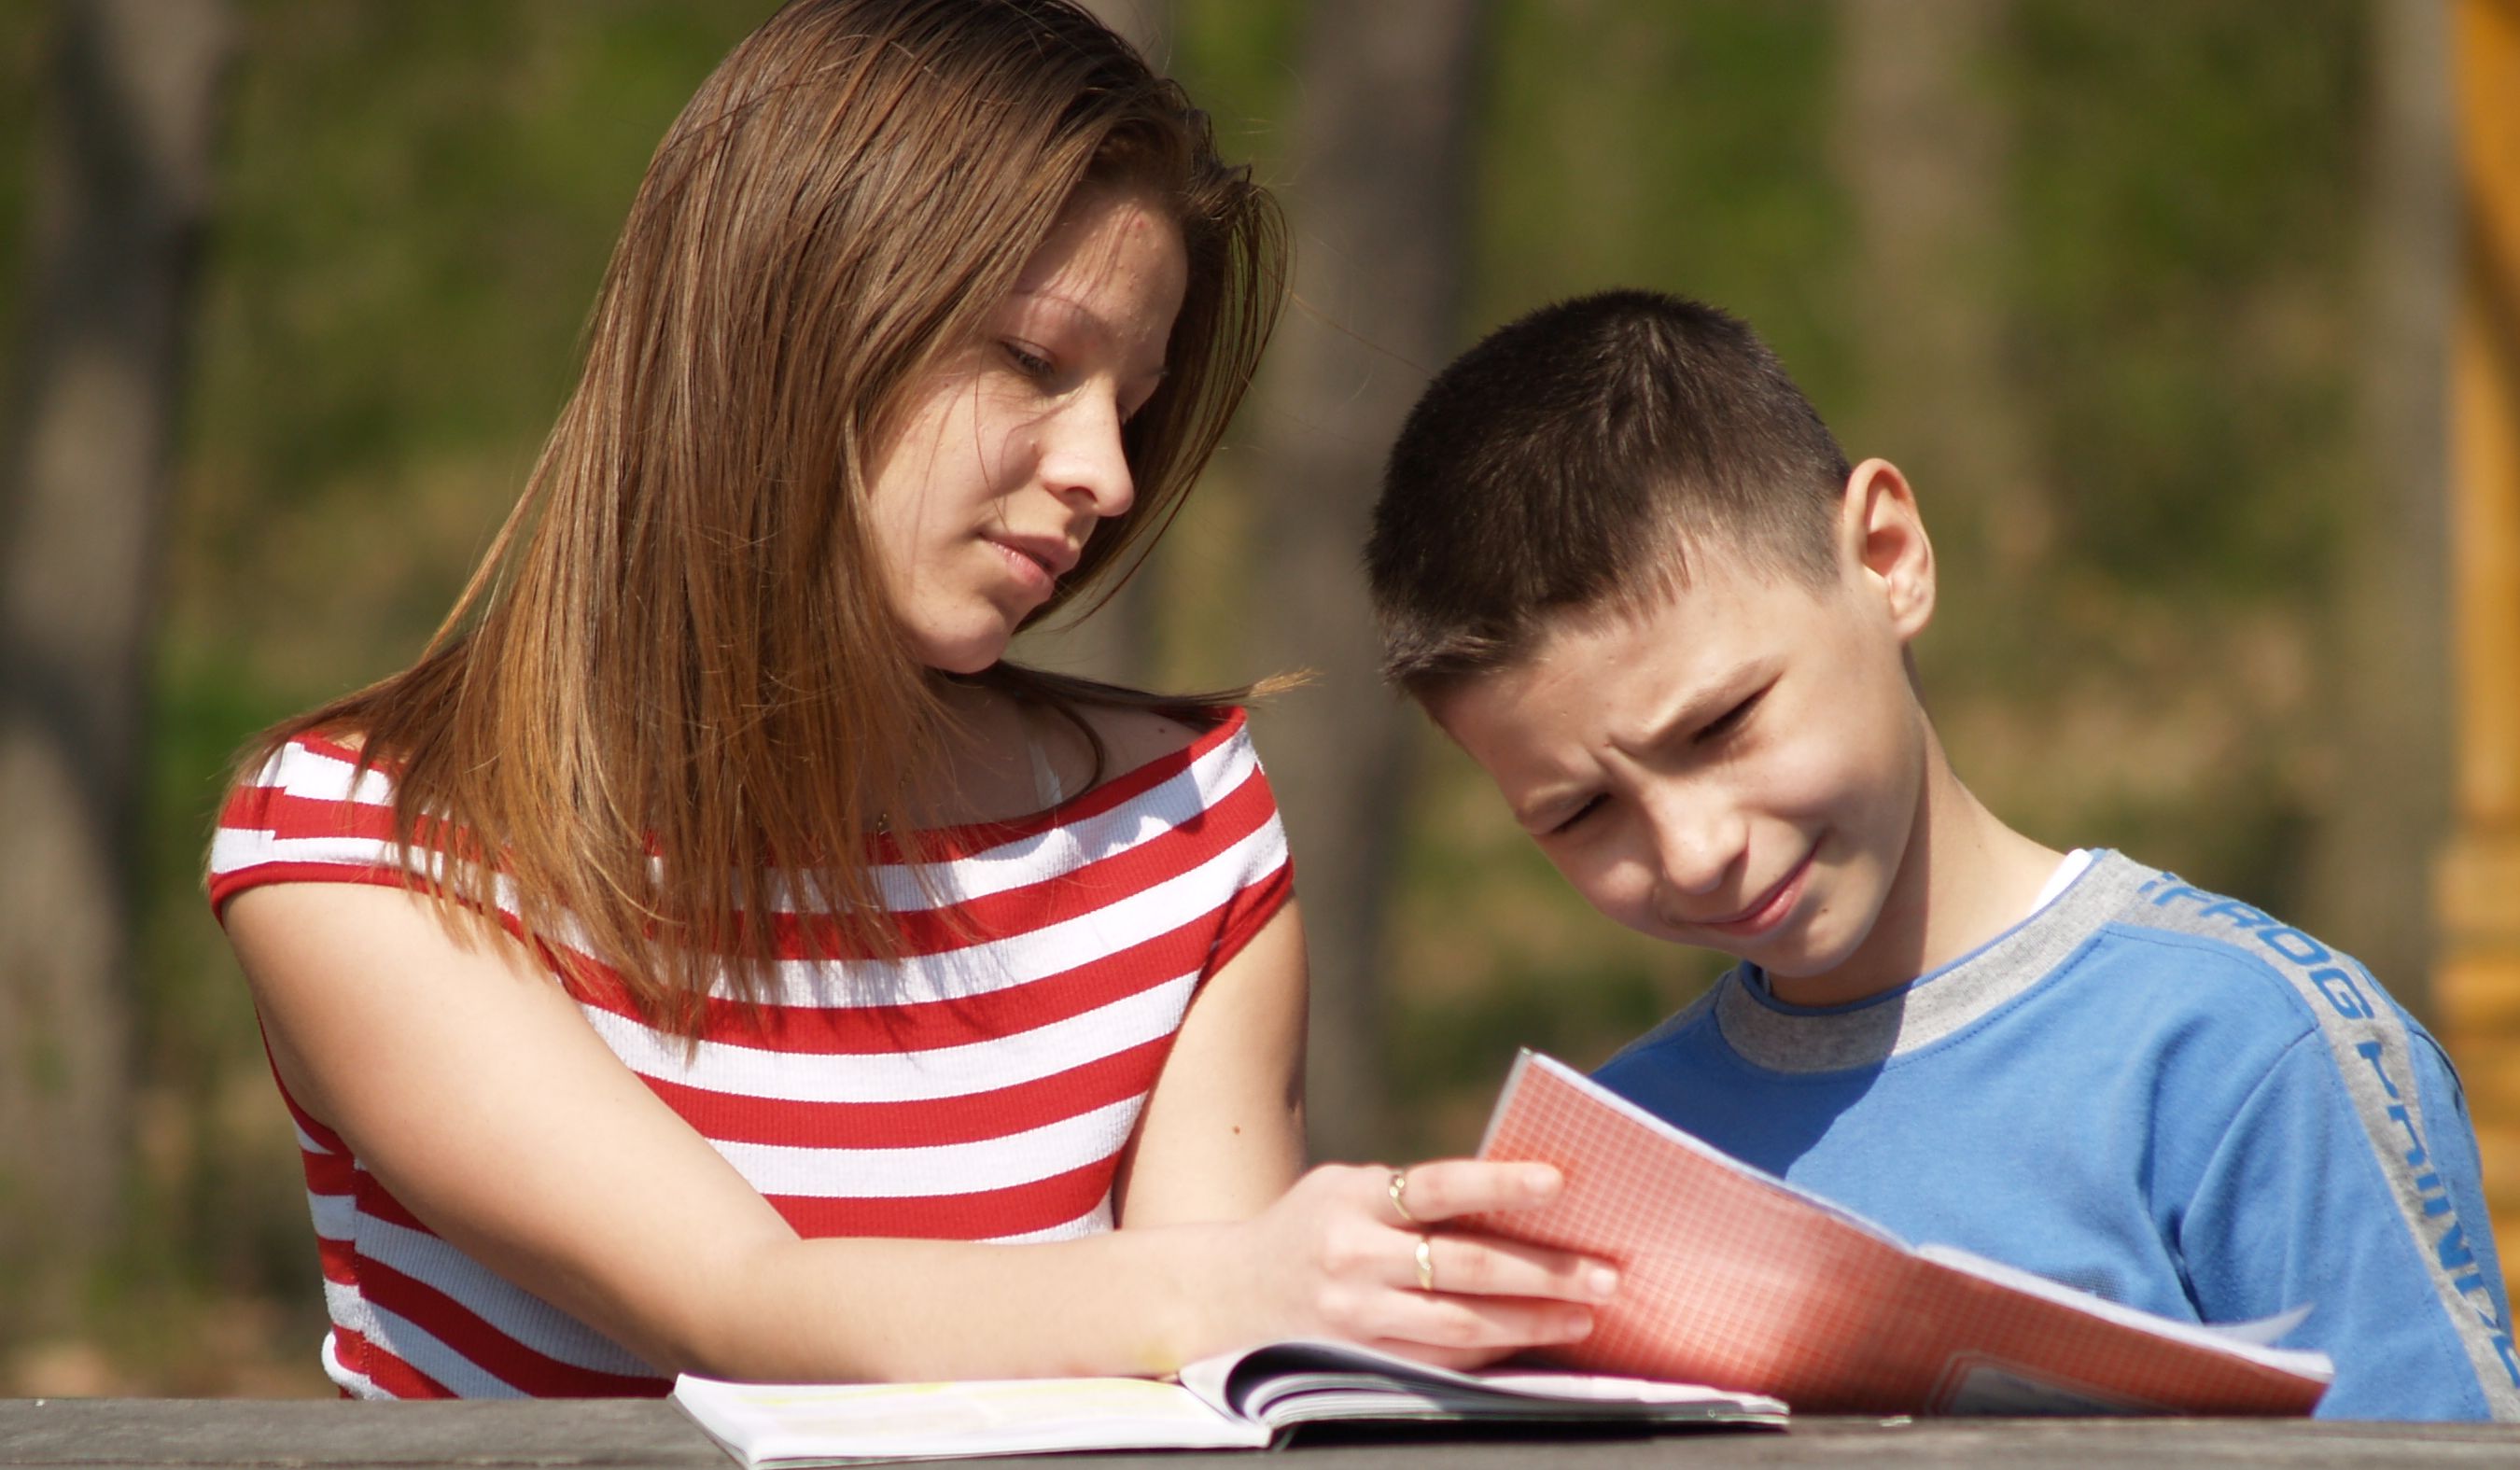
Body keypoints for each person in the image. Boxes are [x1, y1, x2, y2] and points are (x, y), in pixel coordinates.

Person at [208, 0, 1617, 1400]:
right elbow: (734, 1302)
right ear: (791, 315)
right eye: (1034, 362)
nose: (1107, 478)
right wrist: (1252, 1275)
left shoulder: (1183, 829)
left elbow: (1219, 1401)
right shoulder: (364, 843)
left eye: (1129, 406)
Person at [1361, 287, 2520, 1421]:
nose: (1697, 848)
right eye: (1580, 815)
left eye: (1722, 725)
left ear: (1886, 555)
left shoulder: (2245, 1053)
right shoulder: (1622, 1154)